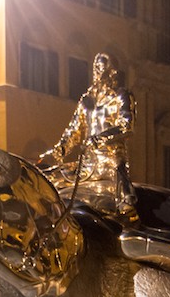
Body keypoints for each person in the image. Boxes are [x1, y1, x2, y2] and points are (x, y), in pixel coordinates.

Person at [38, 52, 136, 215]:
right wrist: (59, 150)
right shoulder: (86, 100)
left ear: (112, 71)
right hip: (87, 164)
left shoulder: (122, 95)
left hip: (110, 161)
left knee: (125, 192)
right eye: (96, 68)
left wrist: (99, 139)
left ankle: (128, 210)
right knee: (48, 176)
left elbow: (127, 125)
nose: (98, 72)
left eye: (102, 68)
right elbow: (73, 131)